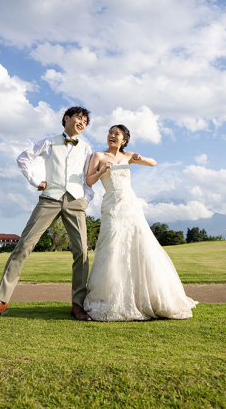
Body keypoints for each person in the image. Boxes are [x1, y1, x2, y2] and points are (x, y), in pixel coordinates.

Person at [0, 106, 94, 322]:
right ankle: (1, 301)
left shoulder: (86, 148)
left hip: (76, 200)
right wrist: (34, 180)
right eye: (79, 118)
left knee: (82, 252)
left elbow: (87, 177)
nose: (82, 123)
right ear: (66, 118)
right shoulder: (48, 142)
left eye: (85, 122)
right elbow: (23, 158)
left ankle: (78, 304)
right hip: (49, 199)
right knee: (24, 246)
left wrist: (86, 198)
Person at [82, 124, 197, 321]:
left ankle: (143, 296)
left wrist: (140, 157)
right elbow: (89, 181)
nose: (111, 135)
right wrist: (102, 170)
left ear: (124, 140)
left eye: (116, 133)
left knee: (140, 245)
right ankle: (112, 297)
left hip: (131, 205)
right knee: (112, 246)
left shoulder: (128, 156)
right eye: (110, 132)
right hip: (111, 205)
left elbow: (153, 163)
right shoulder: (98, 156)